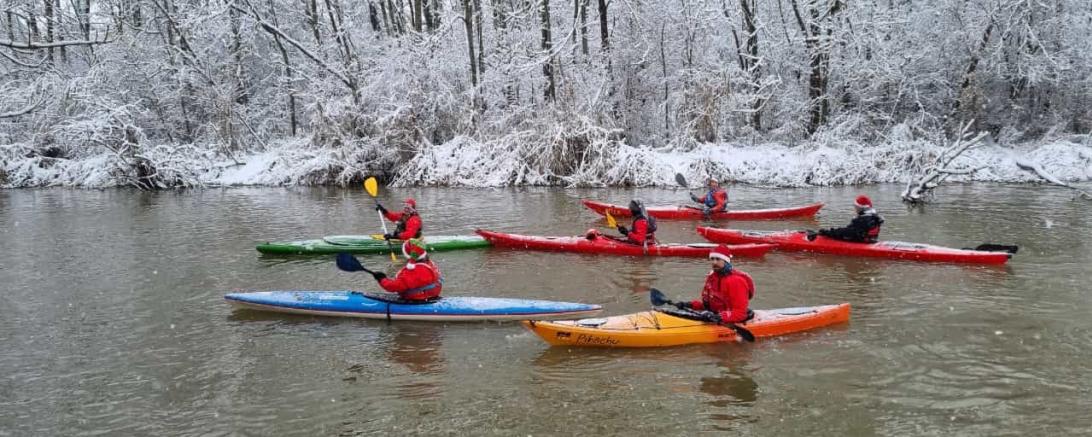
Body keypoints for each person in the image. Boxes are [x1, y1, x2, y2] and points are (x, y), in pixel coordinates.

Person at [674, 245, 754, 323]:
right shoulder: (712, 278)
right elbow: (709, 306)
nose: (714, 262)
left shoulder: (736, 281)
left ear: (726, 261)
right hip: (715, 316)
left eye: (718, 259)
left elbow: (740, 313)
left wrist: (718, 317)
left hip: (730, 319)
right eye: (712, 259)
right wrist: (689, 305)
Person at [370, 239, 443, 301]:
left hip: (419, 298)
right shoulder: (429, 263)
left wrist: (382, 279)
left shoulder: (414, 270)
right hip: (432, 294)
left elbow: (394, 286)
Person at [807, 195, 883, 243]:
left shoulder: (862, 220)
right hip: (870, 241)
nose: (855, 209)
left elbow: (846, 233)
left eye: (856, 207)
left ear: (861, 208)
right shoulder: (874, 217)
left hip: (861, 242)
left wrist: (826, 232)